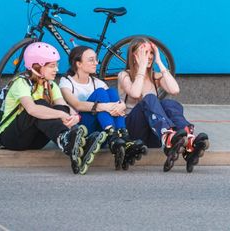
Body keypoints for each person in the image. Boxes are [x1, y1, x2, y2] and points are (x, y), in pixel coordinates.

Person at [117, 38, 209, 173]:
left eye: (151, 53)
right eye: (145, 52)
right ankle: (167, 135)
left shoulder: (155, 76)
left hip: (153, 134)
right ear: (134, 56)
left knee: (170, 104)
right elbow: (135, 93)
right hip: (133, 131)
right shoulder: (124, 75)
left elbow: (175, 90)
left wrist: (159, 62)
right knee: (150, 98)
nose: (149, 56)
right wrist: (141, 67)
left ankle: (188, 137)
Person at [0, 42, 87, 174]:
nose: (56, 69)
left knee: (61, 107)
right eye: (52, 66)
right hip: (12, 138)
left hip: (35, 141)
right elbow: (32, 109)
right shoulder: (21, 82)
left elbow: (64, 106)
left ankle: (69, 140)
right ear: (37, 66)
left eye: (56, 65)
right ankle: (65, 139)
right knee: (40, 104)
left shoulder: (51, 85)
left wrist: (75, 117)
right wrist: (62, 115)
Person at [60, 46, 146, 172]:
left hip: (101, 131)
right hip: (83, 129)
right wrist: (103, 106)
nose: (96, 63)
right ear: (78, 64)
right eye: (91, 60)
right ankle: (114, 135)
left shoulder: (97, 82)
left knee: (111, 92)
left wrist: (122, 104)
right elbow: (77, 104)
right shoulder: (66, 82)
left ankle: (121, 136)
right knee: (100, 93)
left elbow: (115, 102)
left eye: (96, 59)